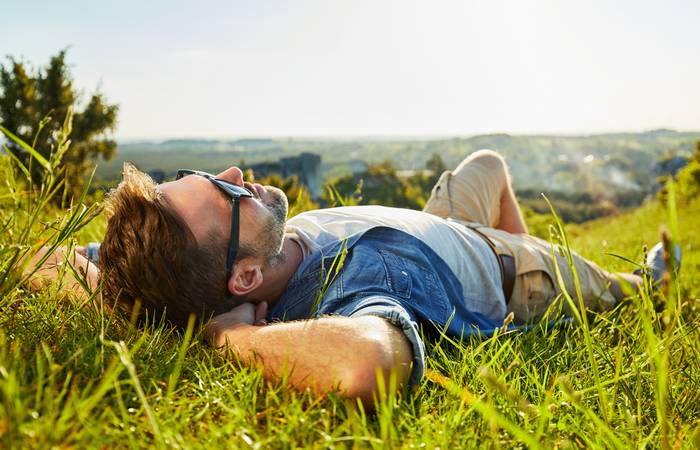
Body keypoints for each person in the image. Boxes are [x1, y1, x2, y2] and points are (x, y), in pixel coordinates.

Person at [29, 150, 676, 404]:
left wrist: (138, 305)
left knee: (488, 165)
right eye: (228, 198)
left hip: (432, 221)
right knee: (635, 288)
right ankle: (653, 275)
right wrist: (224, 339)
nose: (233, 174)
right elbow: (368, 364)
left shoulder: (189, 257)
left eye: (205, 177)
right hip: (512, 272)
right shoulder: (348, 287)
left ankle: (521, 235)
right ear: (245, 279)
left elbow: (43, 261)